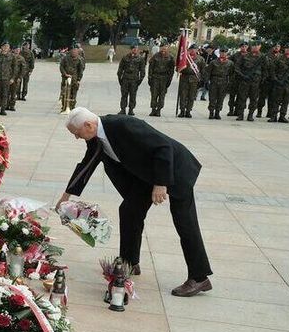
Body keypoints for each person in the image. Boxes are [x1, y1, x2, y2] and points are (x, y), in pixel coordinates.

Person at [56, 107, 213, 297]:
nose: (76, 137)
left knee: (185, 222)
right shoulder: (96, 138)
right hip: (146, 175)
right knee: (129, 210)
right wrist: (66, 196)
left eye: (77, 133)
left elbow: (163, 147)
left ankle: (199, 277)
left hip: (174, 168)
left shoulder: (123, 125)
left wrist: (161, 183)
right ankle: (129, 262)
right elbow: (87, 164)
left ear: (88, 125)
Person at [234, 42, 265, 121]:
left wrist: (262, 80)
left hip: (256, 82)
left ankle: (250, 115)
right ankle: (240, 114)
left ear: (260, 46)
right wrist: (242, 76)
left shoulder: (263, 57)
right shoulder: (244, 56)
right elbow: (237, 67)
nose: (255, 47)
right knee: (242, 98)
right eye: (254, 45)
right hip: (245, 81)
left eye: (257, 45)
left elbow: (266, 70)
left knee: (254, 99)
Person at [203, 49, 233, 120]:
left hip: (224, 82)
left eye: (225, 52)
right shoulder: (213, 62)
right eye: (222, 52)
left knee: (221, 98)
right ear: (219, 53)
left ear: (227, 53)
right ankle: (211, 112)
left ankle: (217, 112)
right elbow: (208, 72)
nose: (223, 53)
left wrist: (230, 83)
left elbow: (232, 74)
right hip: (214, 81)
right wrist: (206, 81)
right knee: (212, 98)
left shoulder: (230, 63)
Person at [116, 43, 145, 116]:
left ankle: (131, 109)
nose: (135, 50)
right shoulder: (125, 57)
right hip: (125, 79)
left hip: (134, 80)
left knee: (133, 95)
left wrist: (140, 80)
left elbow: (142, 70)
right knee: (124, 95)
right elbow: (120, 68)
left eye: (136, 48)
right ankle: (123, 109)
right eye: (133, 48)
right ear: (131, 49)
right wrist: (120, 78)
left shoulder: (140, 59)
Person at [58, 44, 85, 113]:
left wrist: (79, 79)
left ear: (77, 53)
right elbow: (61, 66)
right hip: (65, 78)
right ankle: (64, 107)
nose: (74, 53)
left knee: (73, 94)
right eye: (73, 52)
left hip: (74, 79)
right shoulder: (65, 58)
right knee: (64, 93)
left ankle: (72, 107)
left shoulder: (79, 59)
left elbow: (81, 70)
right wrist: (65, 74)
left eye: (75, 52)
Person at [176, 47, 200, 118]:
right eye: (191, 49)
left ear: (197, 50)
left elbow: (203, 69)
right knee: (183, 95)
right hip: (184, 78)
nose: (192, 50)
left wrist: (201, 79)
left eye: (194, 49)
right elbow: (178, 68)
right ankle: (182, 111)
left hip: (194, 79)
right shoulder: (184, 58)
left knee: (191, 96)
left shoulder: (200, 59)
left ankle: (188, 111)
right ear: (188, 50)